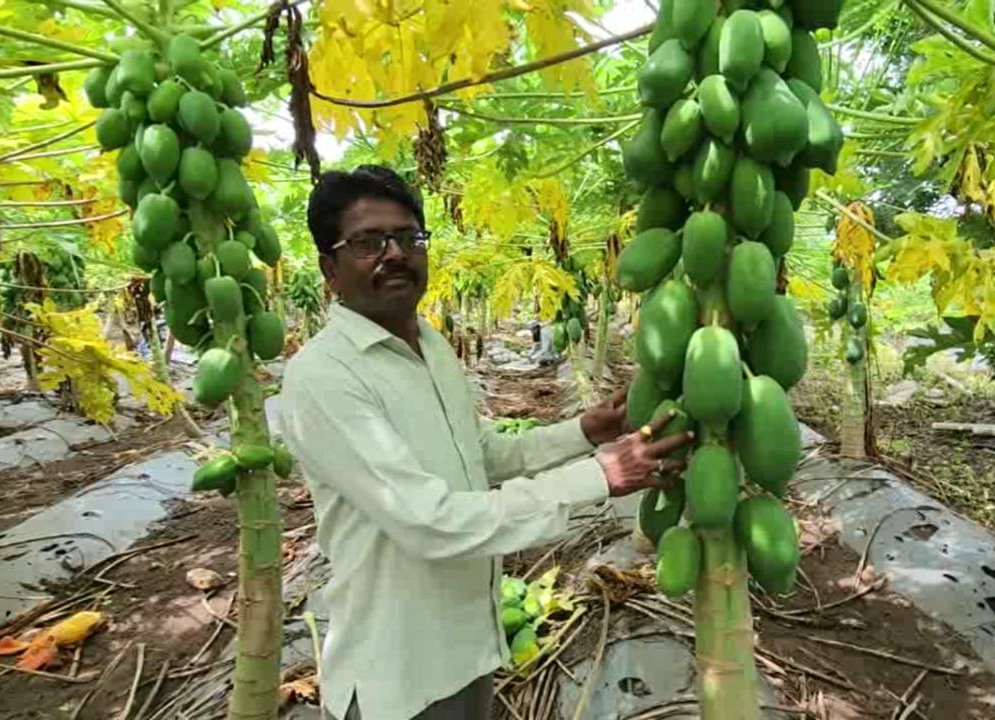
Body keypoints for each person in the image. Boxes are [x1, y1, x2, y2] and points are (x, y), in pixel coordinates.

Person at [280, 165, 691, 720]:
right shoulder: (323, 377)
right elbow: (428, 522)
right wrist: (598, 476)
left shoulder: (431, 346)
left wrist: (584, 432)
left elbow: (482, 453)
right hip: (399, 675)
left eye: (408, 237)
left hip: (470, 645)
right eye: (368, 242)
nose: (394, 254)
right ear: (329, 269)